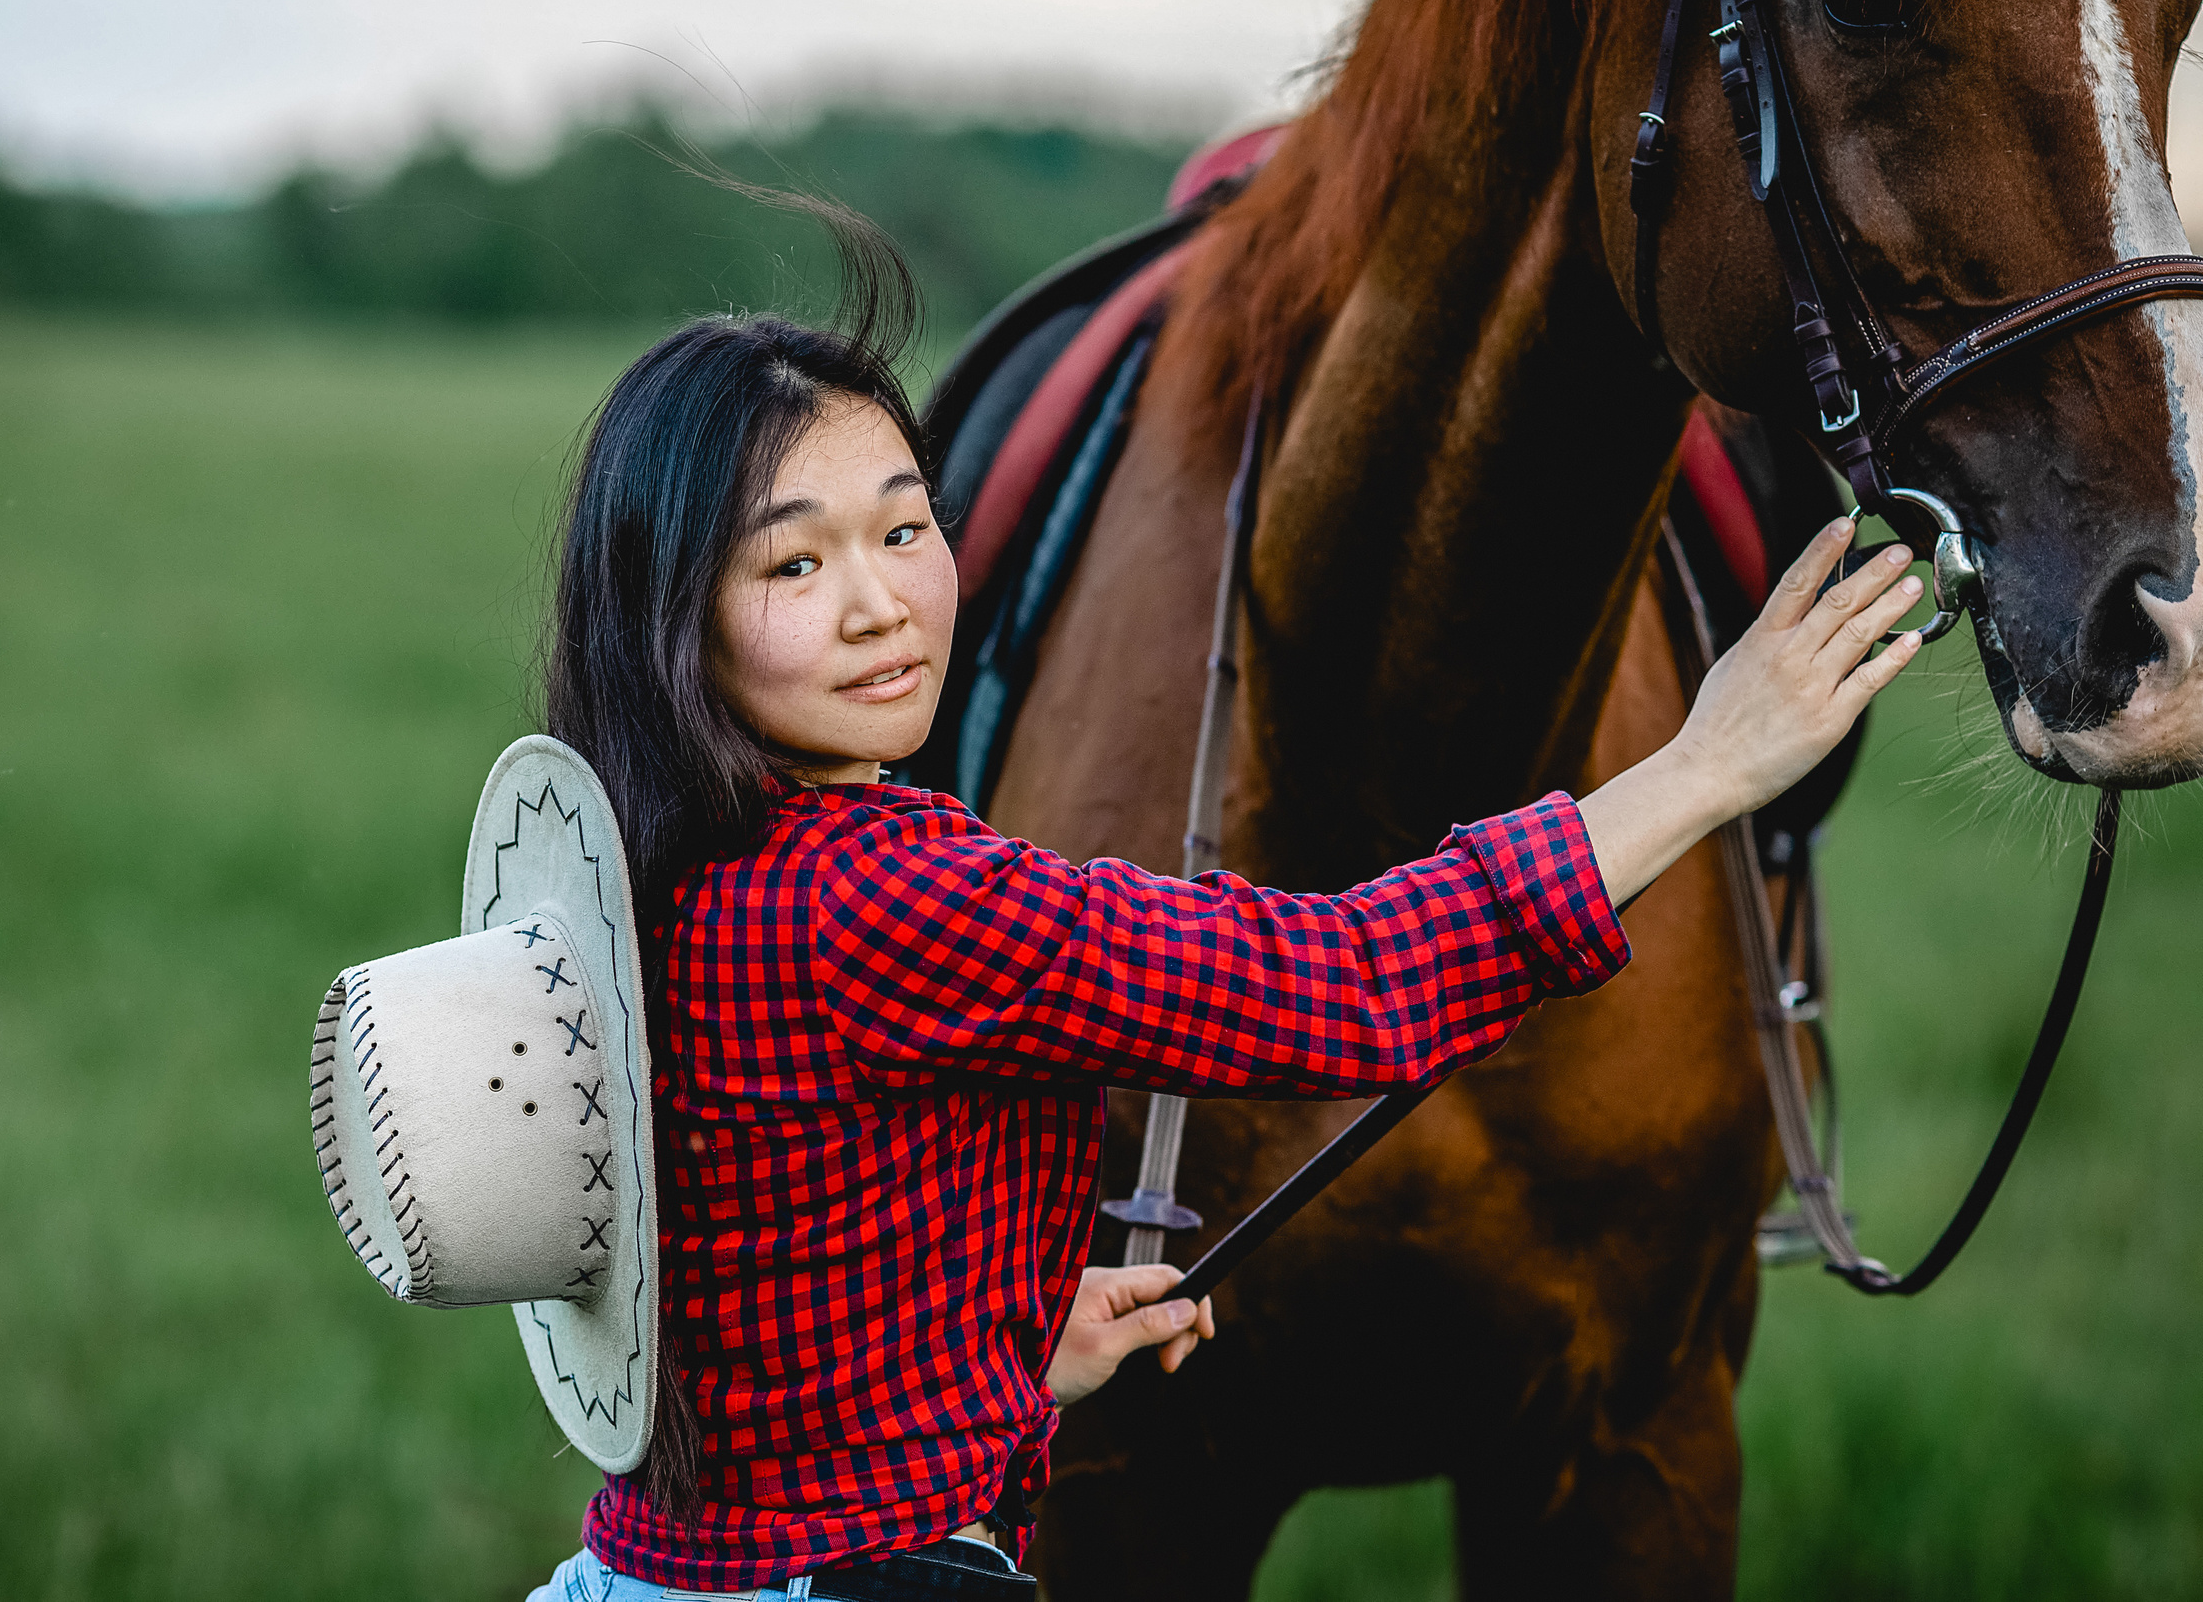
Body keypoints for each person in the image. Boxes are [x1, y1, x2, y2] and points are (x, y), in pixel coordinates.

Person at [526, 215, 1921, 1602]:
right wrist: (1705, 764)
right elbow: (1346, 981)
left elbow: (772, 1268)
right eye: (794, 564)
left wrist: (988, 1360)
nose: (881, 603)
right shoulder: (884, 895)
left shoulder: (678, 860)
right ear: (674, 613)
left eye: (904, 529)